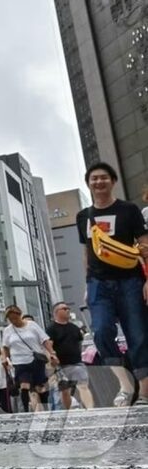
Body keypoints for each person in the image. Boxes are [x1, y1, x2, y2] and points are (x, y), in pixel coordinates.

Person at [76, 162, 148, 406]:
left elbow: (145, 245)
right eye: (94, 178)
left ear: (113, 181)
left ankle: (145, 392)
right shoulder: (83, 216)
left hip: (130, 280)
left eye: (104, 177)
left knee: (138, 334)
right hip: (98, 283)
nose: (99, 182)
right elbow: (87, 252)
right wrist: (87, 284)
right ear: (88, 183)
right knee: (102, 331)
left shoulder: (128, 210)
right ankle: (126, 385)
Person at [2, 305, 57, 412]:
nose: (13, 321)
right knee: (24, 386)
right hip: (19, 362)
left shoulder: (32, 325)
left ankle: (45, 407)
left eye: (15, 318)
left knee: (39, 387)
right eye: (10, 319)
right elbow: (5, 347)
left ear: (20, 315)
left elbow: (45, 340)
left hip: (36, 360)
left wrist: (52, 353)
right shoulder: (8, 330)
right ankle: (27, 411)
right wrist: (5, 359)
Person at [46, 302, 94, 410]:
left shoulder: (74, 328)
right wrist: (52, 358)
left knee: (83, 386)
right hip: (61, 366)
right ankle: (67, 411)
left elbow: (79, 343)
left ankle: (90, 409)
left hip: (76, 362)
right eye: (64, 308)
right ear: (56, 312)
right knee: (65, 391)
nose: (67, 310)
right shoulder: (51, 329)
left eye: (68, 308)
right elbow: (49, 346)